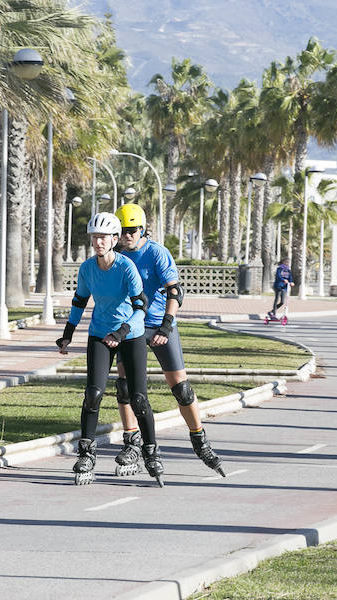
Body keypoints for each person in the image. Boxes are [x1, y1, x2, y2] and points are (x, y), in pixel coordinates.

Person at [112, 204, 225, 477]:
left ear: (142, 229)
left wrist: (167, 324)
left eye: (132, 231)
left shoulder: (157, 253)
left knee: (182, 389)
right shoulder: (114, 256)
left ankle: (199, 439)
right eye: (122, 231)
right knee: (125, 387)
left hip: (161, 325)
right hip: (132, 327)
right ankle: (132, 442)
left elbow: (175, 291)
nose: (127, 236)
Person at [56, 212, 165, 487]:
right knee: (93, 393)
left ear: (114, 239)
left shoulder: (126, 268)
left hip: (131, 334)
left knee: (138, 398)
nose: (98, 242)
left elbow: (141, 307)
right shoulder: (87, 268)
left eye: (103, 237)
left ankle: (151, 451)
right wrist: (67, 335)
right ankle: (86, 454)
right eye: (94, 237)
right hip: (100, 334)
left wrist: (123, 332)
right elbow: (80, 301)